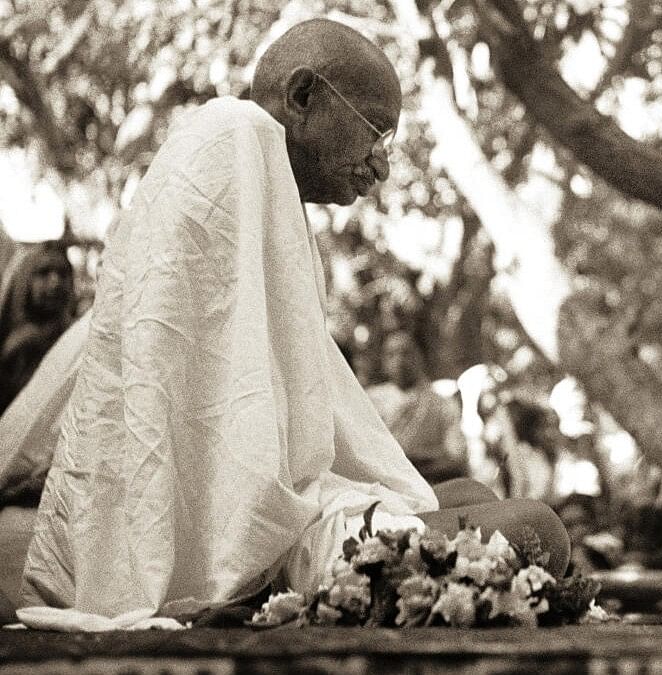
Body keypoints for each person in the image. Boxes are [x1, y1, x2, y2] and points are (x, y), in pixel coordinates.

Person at [19, 18, 566, 622]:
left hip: (273, 505)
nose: (380, 167)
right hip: (233, 532)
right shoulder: (233, 138)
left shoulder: (261, 172)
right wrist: (283, 533)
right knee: (534, 528)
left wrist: (351, 497)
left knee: (475, 497)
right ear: (304, 96)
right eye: (375, 133)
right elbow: (201, 422)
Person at [366, 332, 470, 484]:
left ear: (419, 357)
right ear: (383, 361)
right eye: (391, 354)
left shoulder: (441, 404)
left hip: (430, 485)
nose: (400, 361)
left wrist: (416, 463)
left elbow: (455, 457)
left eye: (406, 353)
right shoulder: (370, 401)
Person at [0, 243, 75, 416]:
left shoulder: (75, 338)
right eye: (43, 272)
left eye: (63, 273)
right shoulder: (10, 339)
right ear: (24, 280)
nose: (55, 282)